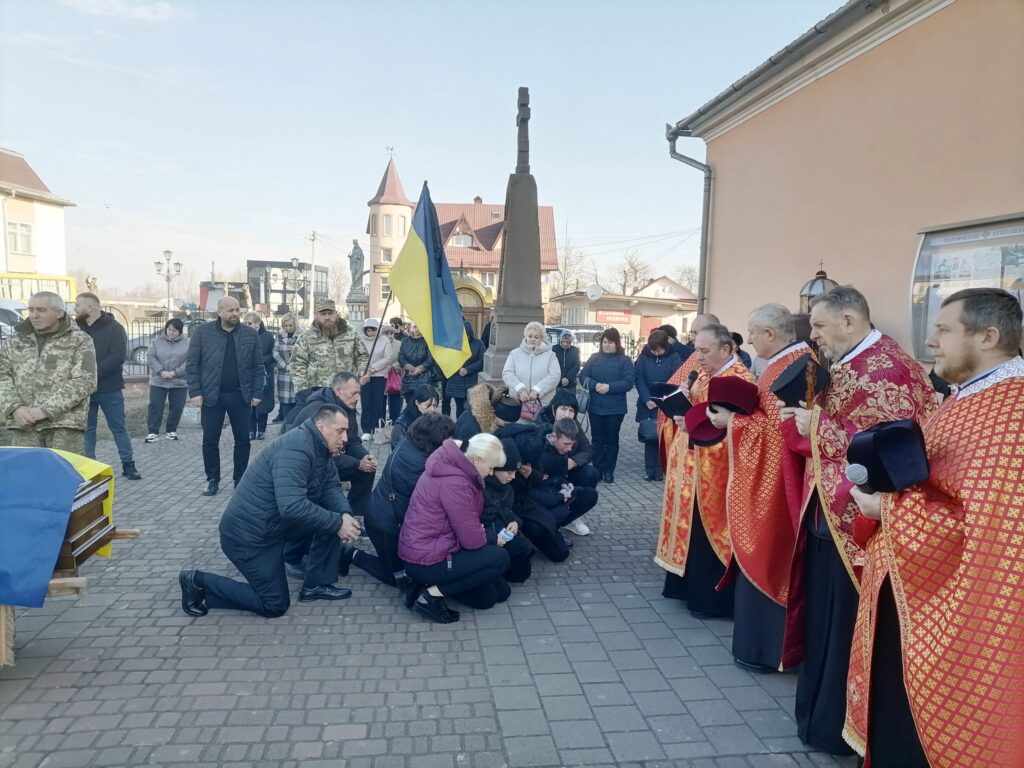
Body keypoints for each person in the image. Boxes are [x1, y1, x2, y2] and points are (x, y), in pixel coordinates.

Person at [843, 288, 1024, 768]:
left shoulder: (1012, 412)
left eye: (944, 330)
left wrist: (888, 510)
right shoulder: (974, 395)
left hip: (955, 610)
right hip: (911, 589)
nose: (930, 341)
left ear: (989, 336)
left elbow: (992, 531)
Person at [778, 286, 935, 755]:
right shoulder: (848, 362)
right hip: (829, 515)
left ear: (849, 321)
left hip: (861, 526)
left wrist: (816, 425)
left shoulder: (890, 369)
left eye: (821, 327)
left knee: (846, 625)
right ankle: (821, 718)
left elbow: (892, 445)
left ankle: (839, 728)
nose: (816, 337)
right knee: (826, 622)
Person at [178, 404, 362, 619]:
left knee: (332, 518)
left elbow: (330, 486)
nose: (346, 438)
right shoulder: (296, 449)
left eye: (346, 430)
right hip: (249, 537)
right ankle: (197, 582)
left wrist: (344, 514)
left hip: (275, 527)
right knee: (274, 605)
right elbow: (292, 506)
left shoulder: (321, 446)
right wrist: (337, 523)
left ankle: (315, 586)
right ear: (321, 426)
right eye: (340, 430)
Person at [706, 304, 809, 671]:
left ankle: (770, 652)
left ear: (770, 334)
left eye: (752, 332)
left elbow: (786, 432)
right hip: (772, 479)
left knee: (770, 556)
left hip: (780, 488)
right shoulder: (781, 364)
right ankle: (757, 649)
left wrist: (733, 421)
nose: (746, 339)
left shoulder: (798, 365)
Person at [656, 323, 753, 619]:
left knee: (706, 531)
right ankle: (683, 586)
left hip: (715, 469)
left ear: (726, 350)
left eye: (704, 351)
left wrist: (697, 423)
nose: (697, 357)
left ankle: (709, 599)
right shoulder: (708, 374)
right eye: (696, 349)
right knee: (690, 526)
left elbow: (742, 431)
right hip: (690, 464)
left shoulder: (741, 379)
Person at [399, 433, 512, 623]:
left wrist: (480, 532)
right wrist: (491, 537)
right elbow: (472, 541)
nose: (491, 473)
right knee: (500, 558)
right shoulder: (457, 483)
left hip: (433, 547)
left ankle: (427, 585)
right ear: (476, 460)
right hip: (428, 558)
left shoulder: (452, 469)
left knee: (495, 595)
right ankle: (430, 596)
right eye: (491, 467)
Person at [359, 413, 455, 598]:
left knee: (404, 572)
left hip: (383, 513)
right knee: (398, 578)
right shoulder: (419, 465)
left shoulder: (412, 444)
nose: (451, 441)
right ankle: (353, 556)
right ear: (435, 437)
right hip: (384, 526)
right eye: (448, 437)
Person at [283, 372, 377, 560]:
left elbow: (352, 441)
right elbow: (320, 456)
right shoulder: (318, 410)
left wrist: (364, 457)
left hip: (329, 459)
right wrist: (356, 463)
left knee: (368, 468)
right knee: (319, 497)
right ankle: (293, 552)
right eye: (354, 393)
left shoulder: (346, 407)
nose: (358, 398)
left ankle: (354, 517)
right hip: (304, 466)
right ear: (339, 391)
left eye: (359, 393)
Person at [0, 291, 96, 453]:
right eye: (31, 310)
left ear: (59, 313)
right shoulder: (15, 340)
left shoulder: (80, 340)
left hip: (63, 427)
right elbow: (3, 376)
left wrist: (45, 411)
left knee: (63, 475)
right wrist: (16, 408)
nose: (34, 315)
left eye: (41, 310)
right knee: (27, 475)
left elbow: (85, 381)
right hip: (24, 426)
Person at [186, 297, 264, 496]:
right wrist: (195, 391)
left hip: (241, 396)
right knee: (210, 440)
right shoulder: (203, 333)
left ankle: (240, 479)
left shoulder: (250, 334)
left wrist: (257, 392)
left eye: (237, 309)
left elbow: (258, 366)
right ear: (219, 312)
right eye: (230, 310)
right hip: (213, 397)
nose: (235, 313)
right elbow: (192, 364)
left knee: (243, 440)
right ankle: (212, 479)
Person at [74, 292, 141, 479]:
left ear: (91, 307)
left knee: (118, 428)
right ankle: (89, 468)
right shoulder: (75, 329)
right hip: (83, 389)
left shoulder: (115, 328)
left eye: (78, 305)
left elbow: (117, 356)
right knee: (87, 429)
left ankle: (128, 465)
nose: (75, 309)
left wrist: (93, 373)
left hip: (109, 388)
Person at [520, 418, 599, 556]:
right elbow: (531, 491)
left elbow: (556, 474)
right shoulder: (535, 450)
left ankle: (554, 526)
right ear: (554, 436)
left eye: (572, 445)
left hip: (552, 493)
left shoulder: (560, 449)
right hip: (536, 502)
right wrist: (559, 497)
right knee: (560, 553)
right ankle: (542, 531)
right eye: (566, 444)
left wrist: (563, 485)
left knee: (589, 495)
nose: (569, 449)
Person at [580, 327, 635, 483]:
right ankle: (597, 469)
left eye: (610, 342)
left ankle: (609, 471)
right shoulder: (594, 358)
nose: (607, 345)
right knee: (597, 440)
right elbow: (583, 376)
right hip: (595, 407)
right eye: (604, 342)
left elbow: (629, 382)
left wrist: (609, 387)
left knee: (611, 440)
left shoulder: (625, 361)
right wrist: (594, 384)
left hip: (615, 408)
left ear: (616, 343)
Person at [482, 439, 535, 583]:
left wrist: (515, 521)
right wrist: (493, 538)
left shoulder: (505, 486)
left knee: (522, 571)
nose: (513, 477)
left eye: (515, 472)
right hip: (487, 536)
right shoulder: (482, 488)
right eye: (510, 472)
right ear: (494, 469)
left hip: (501, 531)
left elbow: (507, 510)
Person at [288, 299, 368, 393]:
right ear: (316, 316)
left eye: (330, 313)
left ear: (336, 314)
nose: (327, 317)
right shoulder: (307, 337)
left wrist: (362, 371)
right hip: (318, 393)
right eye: (323, 314)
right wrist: (304, 391)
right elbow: (297, 364)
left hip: (346, 392)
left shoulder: (351, 334)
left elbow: (362, 355)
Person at [634, 329, 681, 482]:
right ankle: (649, 470)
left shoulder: (674, 357)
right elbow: (639, 379)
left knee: (663, 437)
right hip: (647, 404)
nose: (655, 353)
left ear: (665, 346)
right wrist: (647, 399)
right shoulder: (643, 357)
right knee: (649, 437)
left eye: (658, 350)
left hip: (665, 402)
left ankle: (660, 469)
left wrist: (662, 399)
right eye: (653, 350)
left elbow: (675, 380)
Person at [534, 388, 599, 489]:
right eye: (563, 409)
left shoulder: (574, 424)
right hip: (548, 474)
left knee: (591, 473)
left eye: (571, 411)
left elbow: (588, 450)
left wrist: (573, 461)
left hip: (569, 469)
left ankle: (575, 501)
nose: (567, 415)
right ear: (554, 408)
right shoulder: (540, 426)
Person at [502, 321, 560, 417]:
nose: (533, 339)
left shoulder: (551, 355)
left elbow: (554, 376)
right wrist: (520, 389)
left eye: (536, 337)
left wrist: (537, 390)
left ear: (542, 338)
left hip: (542, 404)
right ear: (525, 336)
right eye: (530, 336)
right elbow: (507, 373)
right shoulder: (514, 353)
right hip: (517, 402)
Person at [145, 318, 189, 442]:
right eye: (169, 329)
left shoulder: (187, 343)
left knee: (177, 407)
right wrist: (161, 371)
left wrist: (175, 373)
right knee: (155, 406)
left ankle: (171, 430)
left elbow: (189, 361)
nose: (171, 332)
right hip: (158, 380)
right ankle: (153, 432)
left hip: (179, 381)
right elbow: (150, 357)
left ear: (180, 331)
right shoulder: (156, 341)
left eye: (174, 330)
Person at [360, 317, 400, 439]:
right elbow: (357, 357)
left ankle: (377, 427)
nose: (370, 333)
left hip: (379, 375)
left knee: (379, 403)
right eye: (368, 330)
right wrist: (363, 371)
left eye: (373, 330)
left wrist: (372, 369)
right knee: (366, 402)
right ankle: (366, 429)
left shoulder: (384, 341)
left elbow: (387, 358)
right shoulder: (360, 340)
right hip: (364, 376)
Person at [442, 321, 484, 419]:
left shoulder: (478, 344)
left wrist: (468, 369)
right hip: (456, 381)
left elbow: (482, 360)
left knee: (470, 407)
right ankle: (459, 427)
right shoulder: (452, 344)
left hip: (471, 380)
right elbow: (447, 360)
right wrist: (457, 369)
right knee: (460, 407)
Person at [243, 312, 276, 440]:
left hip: (264, 373)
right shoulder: (242, 335)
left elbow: (272, 354)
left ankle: (261, 430)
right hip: (248, 373)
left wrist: (259, 360)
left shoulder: (267, 336)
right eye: (245, 323)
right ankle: (251, 430)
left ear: (258, 323)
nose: (247, 325)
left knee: (263, 403)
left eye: (250, 323)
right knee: (249, 403)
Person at [398, 323, 439, 408]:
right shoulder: (405, 341)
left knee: (424, 405)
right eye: (415, 327)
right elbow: (401, 357)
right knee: (410, 406)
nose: (417, 330)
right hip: (409, 377)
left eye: (420, 327)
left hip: (425, 377)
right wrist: (410, 368)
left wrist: (419, 368)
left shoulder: (428, 341)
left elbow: (430, 359)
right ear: (411, 328)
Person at [390, 383, 438, 448]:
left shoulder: (434, 419)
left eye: (434, 405)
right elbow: (399, 449)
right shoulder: (402, 424)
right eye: (428, 405)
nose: (432, 409)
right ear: (417, 403)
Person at [271, 314, 299, 424]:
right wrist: (284, 365)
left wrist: (295, 349)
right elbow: (275, 352)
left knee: (297, 399)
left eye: (290, 325)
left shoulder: (302, 335)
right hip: (284, 371)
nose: (288, 328)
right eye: (286, 325)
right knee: (285, 399)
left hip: (298, 372)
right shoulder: (280, 335)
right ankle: (285, 422)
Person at [380, 323, 404, 424]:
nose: (389, 335)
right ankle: (380, 424)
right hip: (381, 375)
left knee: (395, 401)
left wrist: (394, 366)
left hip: (395, 376)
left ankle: (395, 422)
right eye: (386, 333)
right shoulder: (378, 344)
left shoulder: (399, 344)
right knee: (380, 401)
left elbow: (403, 358)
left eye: (391, 333)